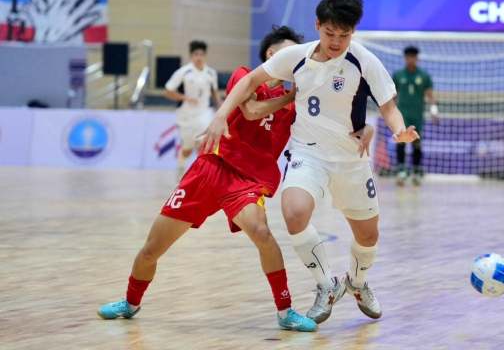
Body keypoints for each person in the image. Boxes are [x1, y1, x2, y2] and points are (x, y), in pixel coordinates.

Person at [97, 26, 349, 332]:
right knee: (152, 248)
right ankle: (130, 302)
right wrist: (289, 97)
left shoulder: (297, 104)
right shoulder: (244, 75)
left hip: (246, 181)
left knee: (262, 233)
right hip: (209, 169)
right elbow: (252, 110)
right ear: (271, 54)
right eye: (289, 53)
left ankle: (285, 311)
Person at [200, 0, 419, 324]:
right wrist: (220, 115)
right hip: (308, 152)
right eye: (330, 33)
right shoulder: (296, 57)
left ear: (353, 32)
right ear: (318, 25)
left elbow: (388, 107)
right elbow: (251, 80)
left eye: (344, 35)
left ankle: (357, 283)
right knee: (294, 212)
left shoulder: (364, 60)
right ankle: (326, 285)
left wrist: (399, 131)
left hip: (350, 159)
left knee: (368, 236)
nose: (336, 42)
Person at [164, 40, 222, 176]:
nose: (199, 57)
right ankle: (181, 167)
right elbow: (168, 91)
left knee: (203, 144)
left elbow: (215, 93)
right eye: (196, 54)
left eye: (201, 54)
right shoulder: (184, 72)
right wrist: (185, 98)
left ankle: (202, 174)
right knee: (187, 149)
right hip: (186, 115)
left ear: (205, 56)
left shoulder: (211, 73)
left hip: (204, 113)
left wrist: (221, 108)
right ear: (191, 56)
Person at [392, 46, 438, 186]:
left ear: (417, 58)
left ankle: (416, 172)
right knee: (400, 142)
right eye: (408, 57)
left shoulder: (424, 76)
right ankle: (401, 171)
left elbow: (430, 95)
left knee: (416, 143)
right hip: (402, 115)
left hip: (417, 115)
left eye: (413, 57)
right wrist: (390, 111)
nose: (411, 59)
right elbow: (393, 95)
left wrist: (434, 110)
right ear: (405, 58)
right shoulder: (398, 75)